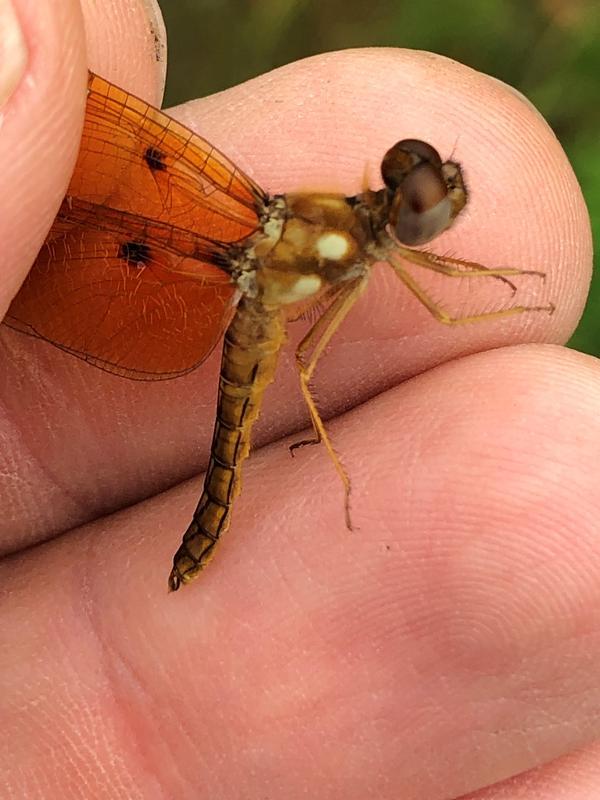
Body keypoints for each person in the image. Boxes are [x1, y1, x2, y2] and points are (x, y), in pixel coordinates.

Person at [0, 1, 597, 798]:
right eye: (417, 183)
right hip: (242, 293)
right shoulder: (358, 242)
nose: (420, 198)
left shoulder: (358, 233)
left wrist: (501, 284)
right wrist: (503, 299)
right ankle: (231, 514)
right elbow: (416, 323)